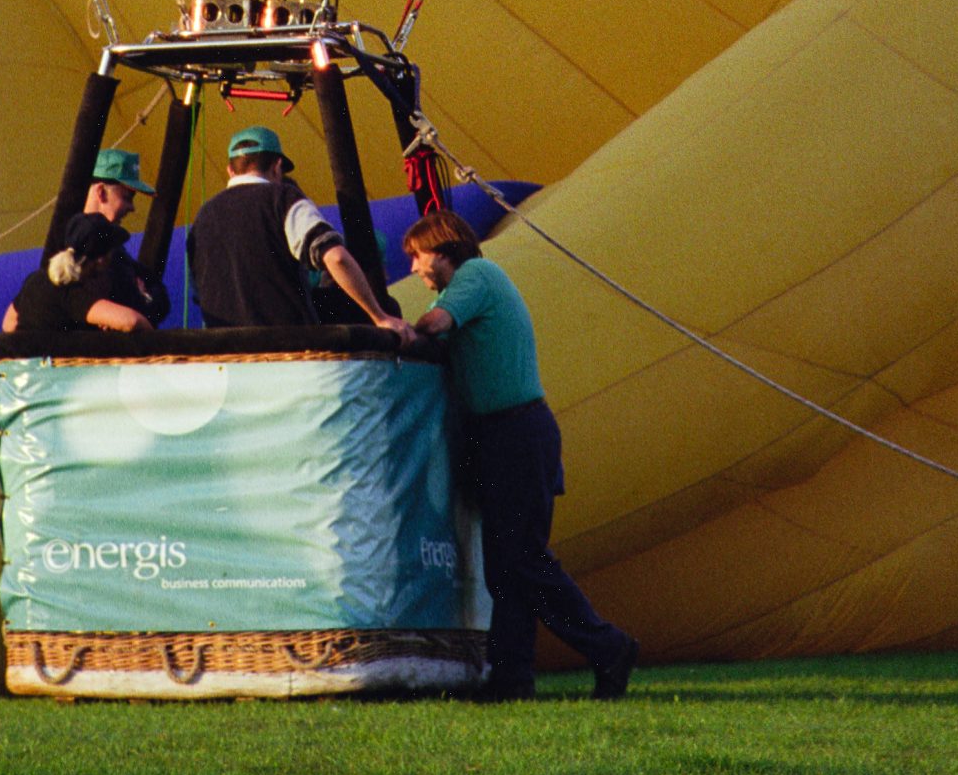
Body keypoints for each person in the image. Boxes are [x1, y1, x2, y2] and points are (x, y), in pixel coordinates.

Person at [405, 207, 638, 702]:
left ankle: (607, 645)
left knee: (522, 559)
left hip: (516, 432)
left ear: (442, 252)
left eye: (417, 257)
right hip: (500, 438)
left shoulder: (476, 276)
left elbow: (435, 323)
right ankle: (512, 678)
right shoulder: (464, 287)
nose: (413, 269)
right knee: (506, 567)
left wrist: (401, 329)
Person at [187, 124, 410, 336]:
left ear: (229, 170)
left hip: (223, 360)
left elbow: (199, 292)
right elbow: (337, 257)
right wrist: (379, 317)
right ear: (277, 167)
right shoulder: (283, 199)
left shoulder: (202, 217)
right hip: (290, 352)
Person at [2, 213, 155, 339]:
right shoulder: (72, 293)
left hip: (23, 370)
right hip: (54, 373)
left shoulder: (36, 279)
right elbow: (131, 322)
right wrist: (154, 341)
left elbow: (9, 323)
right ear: (101, 259)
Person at [84, 145, 170, 323]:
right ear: (101, 192)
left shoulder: (117, 250)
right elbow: (148, 307)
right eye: (127, 197)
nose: (132, 208)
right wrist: (144, 296)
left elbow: (162, 302)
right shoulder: (84, 248)